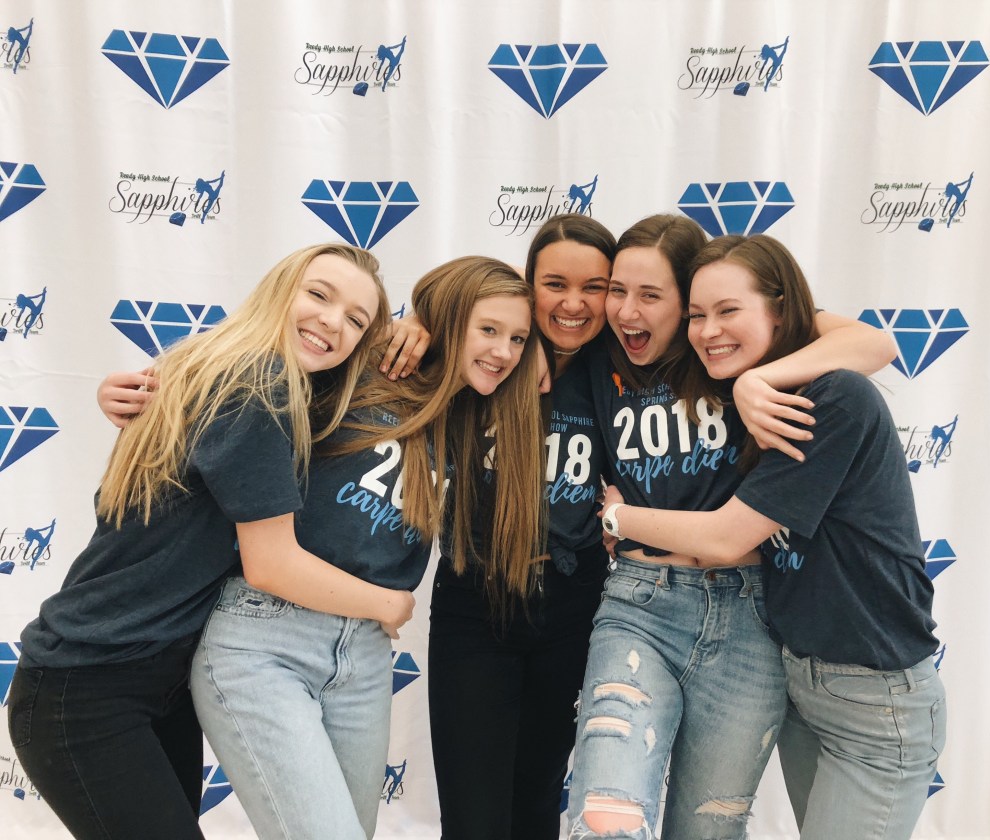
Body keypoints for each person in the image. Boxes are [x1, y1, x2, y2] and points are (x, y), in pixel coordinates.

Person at [96, 256, 546, 839]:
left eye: (517, 338)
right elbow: (252, 371)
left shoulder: (468, 414)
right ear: (446, 322)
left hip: (363, 656)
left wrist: (537, 351)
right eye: (488, 330)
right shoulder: (362, 376)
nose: (504, 351)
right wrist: (137, 391)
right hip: (266, 636)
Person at [7, 243, 393, 840]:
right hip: (88, 687)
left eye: (357, 320)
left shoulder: (217, 370)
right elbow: (271, 564)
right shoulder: (258, 389)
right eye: (319, 294)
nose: (332, 320)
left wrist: (414, 330)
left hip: (159, 678)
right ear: (279, 291)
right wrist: (388, 603)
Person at [597, 233, 946, 840]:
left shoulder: (834, 398)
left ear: (780, 311)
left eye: (728, 311)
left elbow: (727, 538)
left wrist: (618, 519)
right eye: (697, 315)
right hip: (803, 688)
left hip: (876, 697)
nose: (708, 331)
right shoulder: (763, 396)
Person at [425, 215, 615, 840]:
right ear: (527, 284)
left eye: (594, 287)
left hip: (574, 601)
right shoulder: (487, 355)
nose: (573, 303)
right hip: (476, 598)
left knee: (537, 803)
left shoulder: (615, 361)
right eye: (554, 284)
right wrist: (412, 326)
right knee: (473, 818)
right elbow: (441, 304)